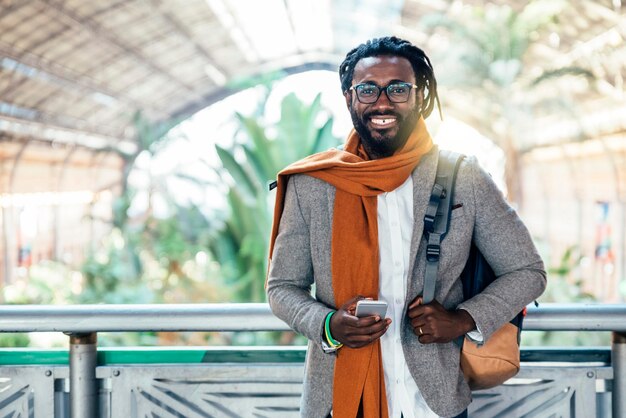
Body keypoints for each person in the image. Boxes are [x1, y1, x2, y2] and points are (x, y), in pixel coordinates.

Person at [266, 36, 546, 418]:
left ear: (420, 97)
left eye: (398, 89)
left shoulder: (462, 176)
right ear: (350, 99)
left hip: (434, 401)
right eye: (368, 89)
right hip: (339, 399)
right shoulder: (314, 185)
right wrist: (328, 324)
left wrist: (462, 319)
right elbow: (282, 287)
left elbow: (527, 271)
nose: (382, 102)